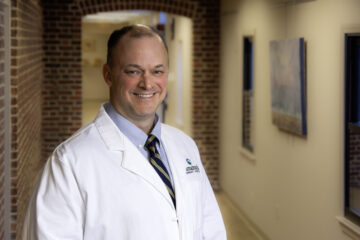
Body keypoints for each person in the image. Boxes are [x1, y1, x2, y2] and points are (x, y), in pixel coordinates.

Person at [22, 24, 226, 240]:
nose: (147, 84)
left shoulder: (185, 146)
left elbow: (211, 228)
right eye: (133, 71)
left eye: (157, 71)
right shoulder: (69, 163)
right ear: (108, 75)